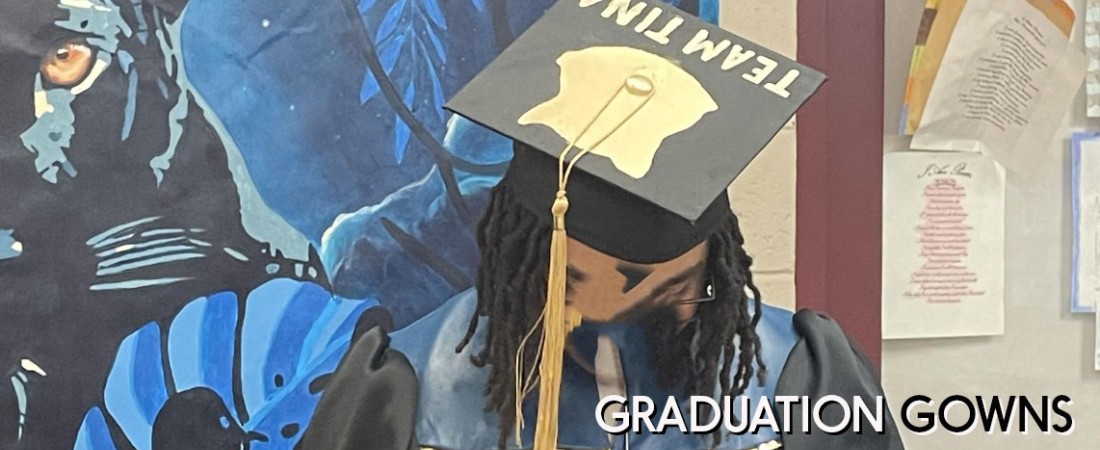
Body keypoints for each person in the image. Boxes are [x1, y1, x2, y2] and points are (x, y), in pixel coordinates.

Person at [300, 1, 905, 449]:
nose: (649, 305)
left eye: (679, 286)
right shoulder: (411, 382)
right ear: (541, 259)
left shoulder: (799, 373)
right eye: (604, 279)